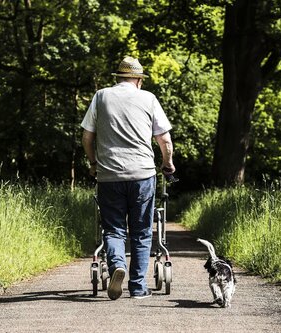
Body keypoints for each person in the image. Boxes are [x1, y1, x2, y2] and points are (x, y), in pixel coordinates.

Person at [81, 56, 175, 300]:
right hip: (142, 175)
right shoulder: (148, 99)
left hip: (109, 175)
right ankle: (137, 287)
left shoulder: (101, 96)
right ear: (138, 80)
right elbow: (164, 140)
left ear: (119, 78)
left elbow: (87, 138)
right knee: (142, 232)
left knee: (113, 229)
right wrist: (167, 164)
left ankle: (116, 266)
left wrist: (94, 164)